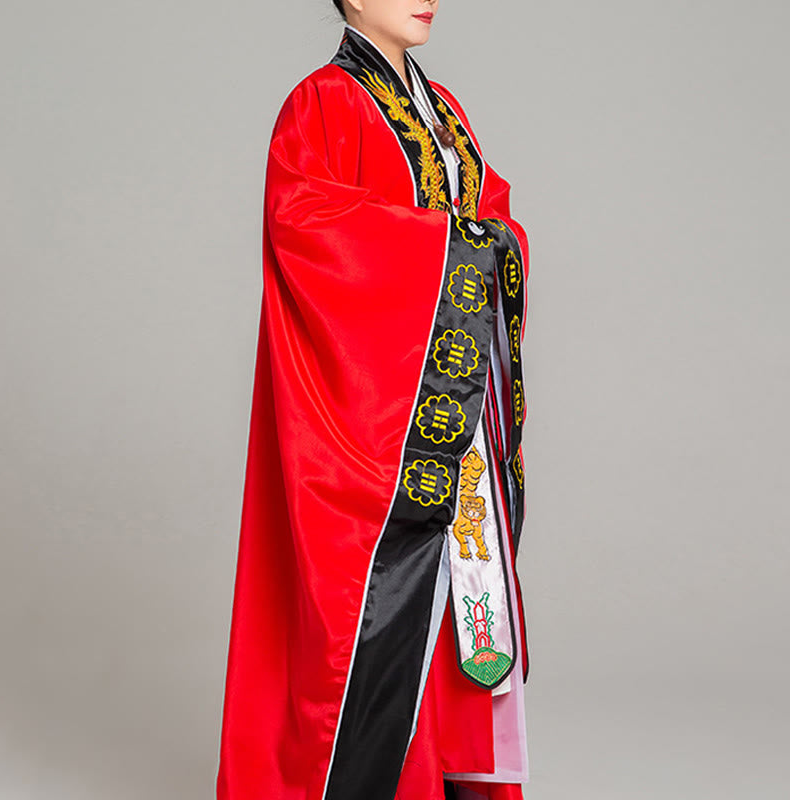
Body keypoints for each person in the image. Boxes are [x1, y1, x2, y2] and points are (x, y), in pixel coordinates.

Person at [216, 2, 532, 799]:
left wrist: (489, 243)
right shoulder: (320, 105)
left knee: (459, 597)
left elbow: (490, 215)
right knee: (372, 601)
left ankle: (445, 778)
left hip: (447, 401)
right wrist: (456, 248)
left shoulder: (442, 109)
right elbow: (310, 231)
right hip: (369, 419)